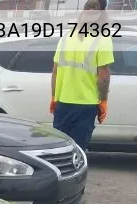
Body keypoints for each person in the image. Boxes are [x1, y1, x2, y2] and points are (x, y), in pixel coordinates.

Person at [49, 0, 114, 151]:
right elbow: (103, 76)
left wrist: (53, 97)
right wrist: (103, 101)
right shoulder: (102, 39)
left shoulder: (66, 37)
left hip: (62, 105)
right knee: (77, 151)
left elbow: (55, 72)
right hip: (86, 105)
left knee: (60, 148)